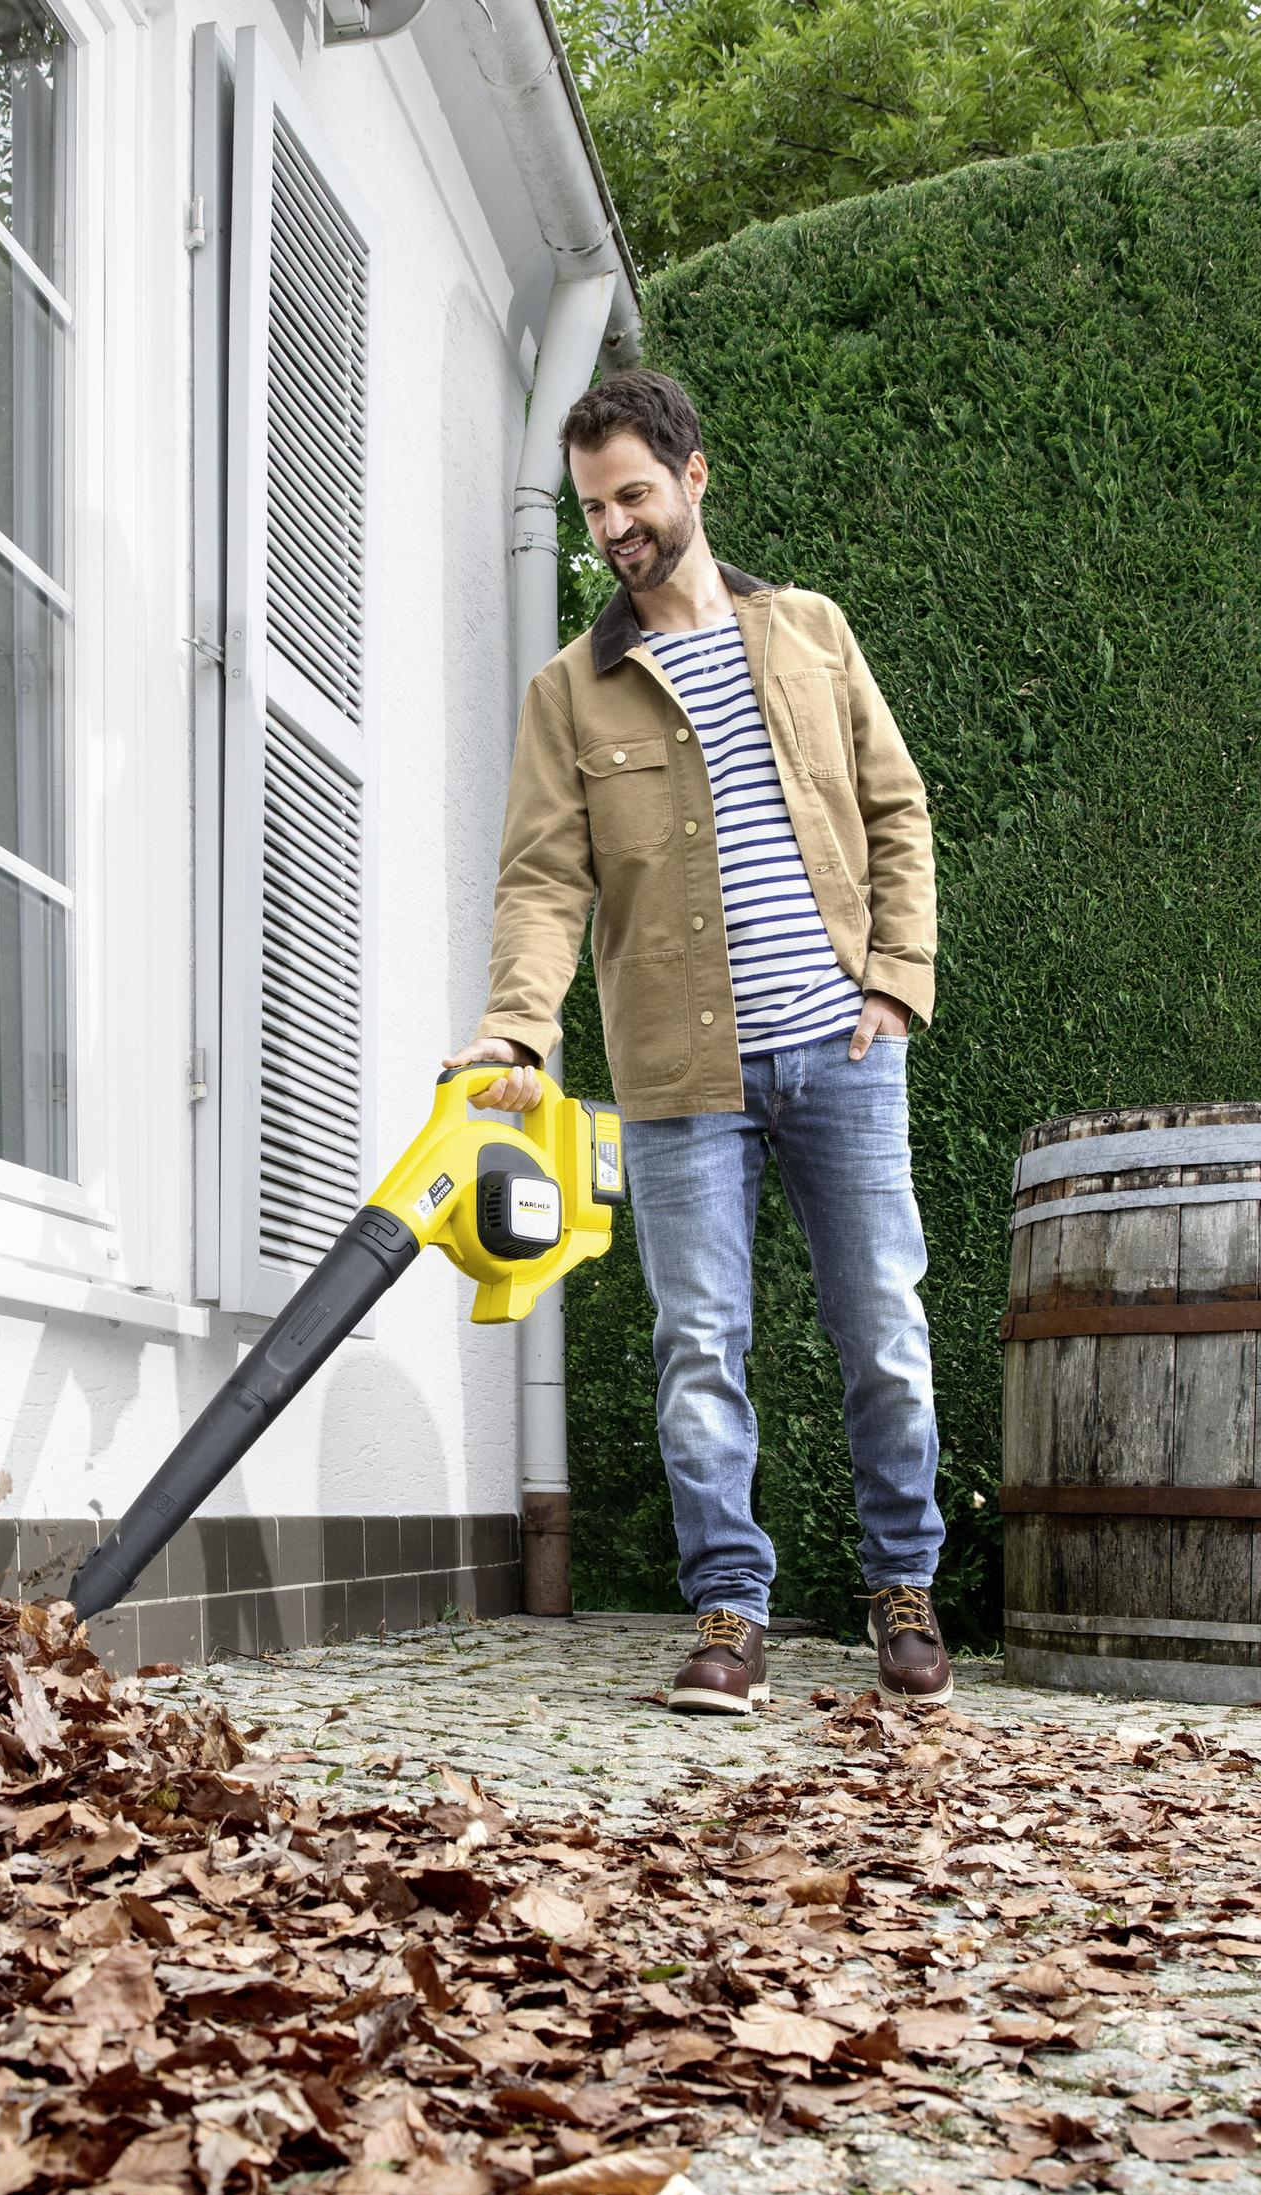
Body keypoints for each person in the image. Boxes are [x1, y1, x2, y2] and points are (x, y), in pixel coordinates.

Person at [447, 369, 948, 1714]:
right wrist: (518, 1030)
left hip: (841, 1052)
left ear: (694, 480)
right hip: (681, 1071)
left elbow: (896, 813)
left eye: (633, 495)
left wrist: (895, 982)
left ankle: (903, 1587)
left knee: (883, 1331)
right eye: (592, 508)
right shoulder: (573, 694)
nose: (613, 526)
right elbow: (544, 880)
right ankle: (731, 1612)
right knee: (699, 1347)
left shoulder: (813, 634)